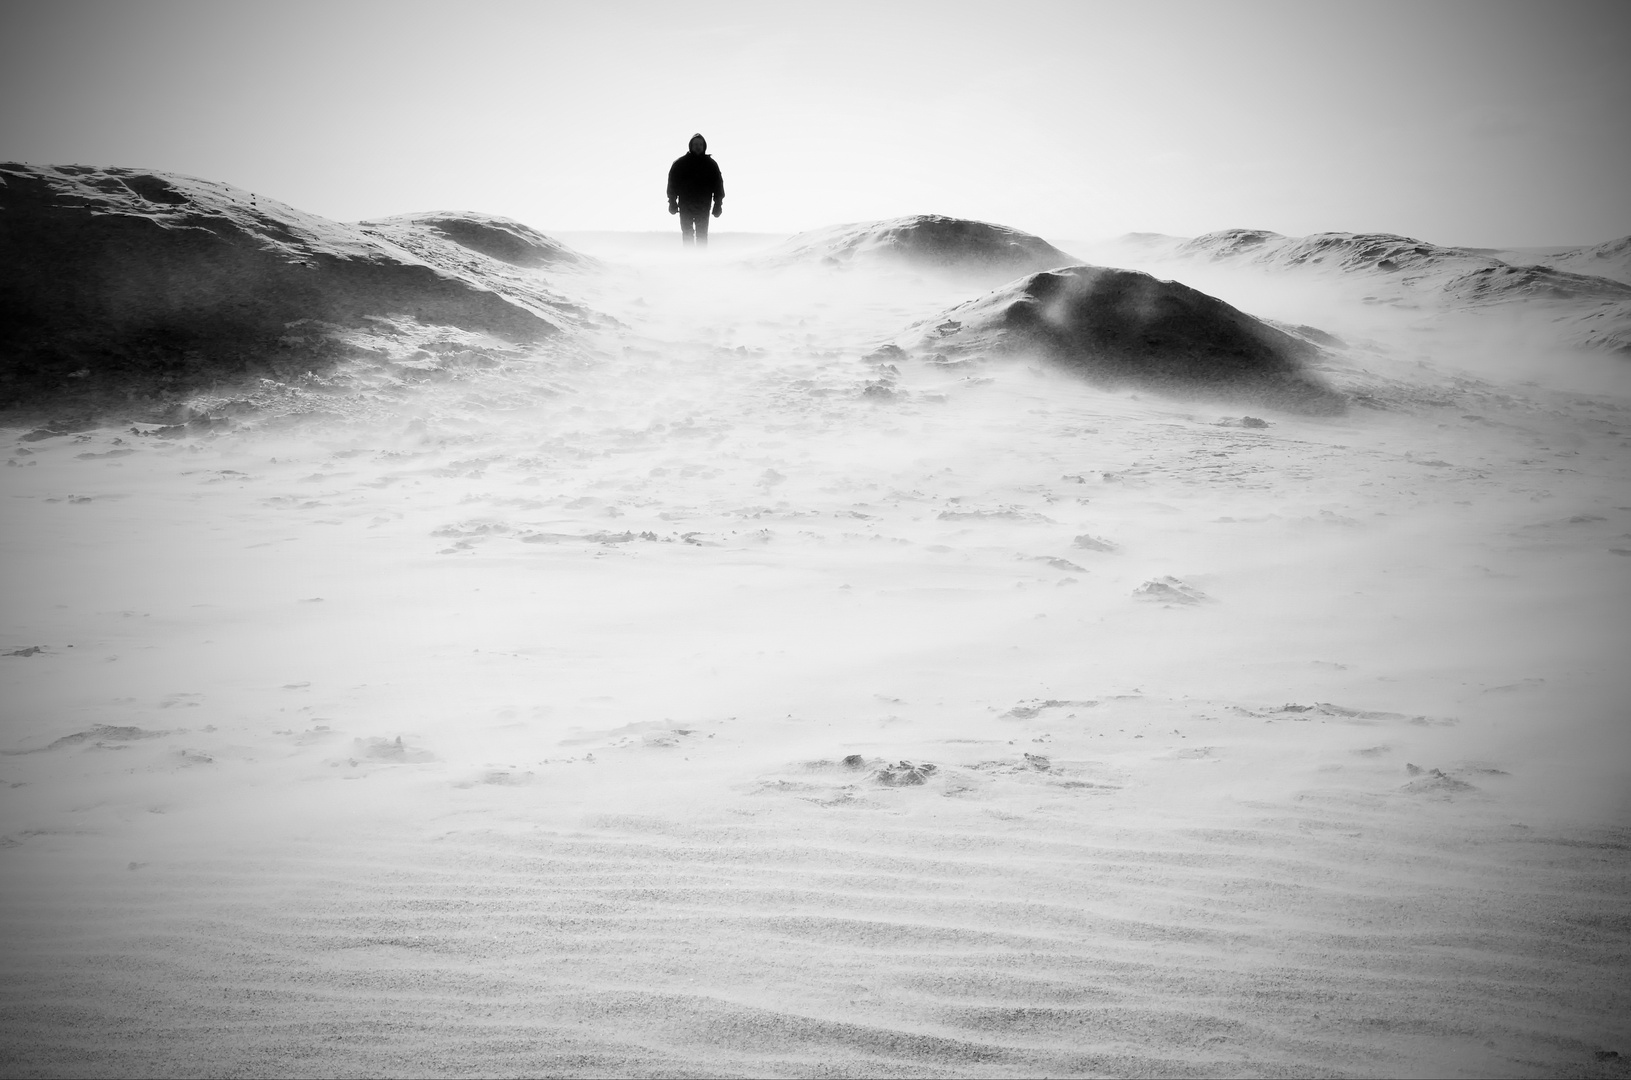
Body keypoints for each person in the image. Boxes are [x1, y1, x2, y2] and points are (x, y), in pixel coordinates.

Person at [666, 133, 724, 247]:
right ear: (691, 146)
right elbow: (672, 184)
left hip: (703, 206)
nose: (698, 146)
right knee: (687, 233)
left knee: (702, 235)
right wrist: (672, 202)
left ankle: (701, 261)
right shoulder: (680, 164)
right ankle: (689, 261)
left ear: (704, 146)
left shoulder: (711, 165)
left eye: (700, 144)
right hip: (685, 205)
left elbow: (718, 185)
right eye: (696, 144)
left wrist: (718, 204)